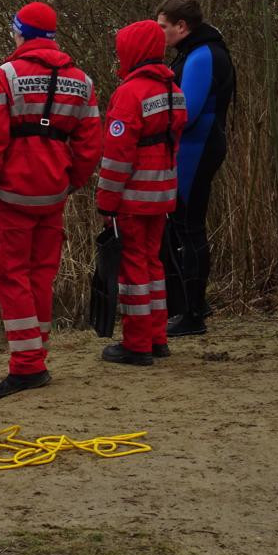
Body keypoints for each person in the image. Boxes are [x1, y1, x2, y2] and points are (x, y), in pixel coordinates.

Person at [0, 2, 102, 398]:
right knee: (40, 276)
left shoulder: (6, 76)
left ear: (21, 33)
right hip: (52, 196)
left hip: (8, 196)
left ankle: (28, 366)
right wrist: (69, 183)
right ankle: (36, 355)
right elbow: (90, 145)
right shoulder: (83, 81)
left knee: (11, 278)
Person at [96, 20, 188, 365]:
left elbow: (117, 156)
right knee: (153, 265)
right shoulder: (173, 90)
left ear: (132, 51)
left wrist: (106, 201)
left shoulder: (130, 93)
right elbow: (174, 143)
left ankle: (137, 345)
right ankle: (157, 338)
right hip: (162, 193)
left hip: (134, 196)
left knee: (133, 271)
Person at [155, 0, 235, 336]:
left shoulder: (203, 55)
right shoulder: (196, 50)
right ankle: (186, 307)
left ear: (181, 27)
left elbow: (184, 114)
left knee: (189, 227)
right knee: (181, 226)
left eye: (163, 27)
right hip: (195, 147)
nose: (159, 34)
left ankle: (193, 314)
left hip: (197, 149)